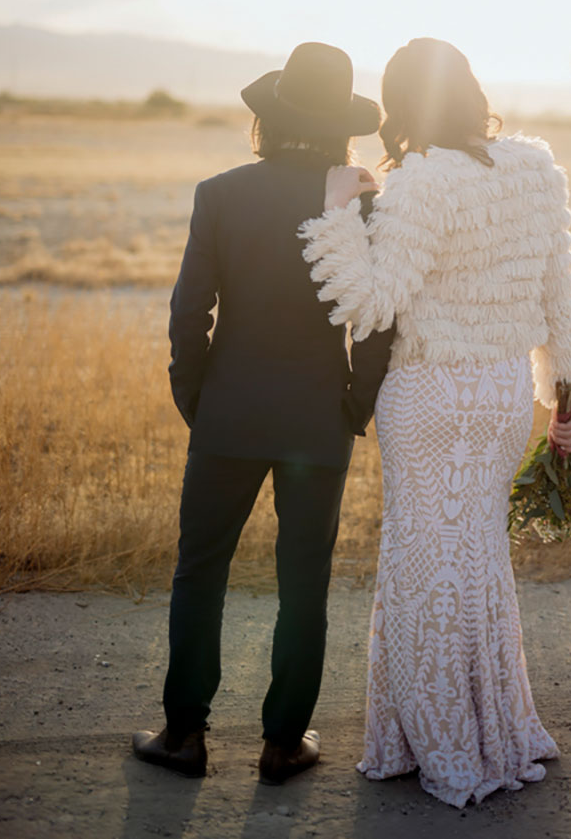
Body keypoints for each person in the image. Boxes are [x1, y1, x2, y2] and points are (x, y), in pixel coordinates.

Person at [300, 37, 571, 808]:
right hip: (499, 395)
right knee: (480, 565)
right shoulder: (536, 171)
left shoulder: (420, 183)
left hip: (428, 394)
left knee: (423, 568)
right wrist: (569, 397)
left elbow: (368, 303)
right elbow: (561, 294)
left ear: (400, 106)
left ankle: (440, 744)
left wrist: (334, 215)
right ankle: (494, 724)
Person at [133, 43, 393, 782]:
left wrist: (196, 397)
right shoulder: (362, 201)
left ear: (268, 120)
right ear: (341, 126)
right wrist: (356, 401)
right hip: (319, 418)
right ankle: (283, 742)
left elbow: (190, 311)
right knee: (303, 580)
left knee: (201, 571)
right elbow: (376, 318)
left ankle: (184, 734)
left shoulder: (220, 193)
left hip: (229, 414)